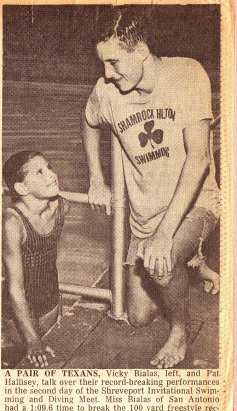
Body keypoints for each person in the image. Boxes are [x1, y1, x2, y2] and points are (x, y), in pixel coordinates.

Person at [83, 7, 220, 368]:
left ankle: (179, 331)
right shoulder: (106, 90)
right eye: (103, 64)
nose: (107, 74)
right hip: (145, 214)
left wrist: (164, 235)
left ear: (141, 50)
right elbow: (89, 121)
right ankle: (189, 261)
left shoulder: (187, 74)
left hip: (194, 203)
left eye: (114, 63)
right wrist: (96, 177)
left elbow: (199, 160)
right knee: (138, 317)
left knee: (161, 263)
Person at [2, 150, 69, 368]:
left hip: (51, 305)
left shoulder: (62, 207)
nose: (51, 174)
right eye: (40, 172)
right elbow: (15, 290)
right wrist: (31, 339)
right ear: (22, 188)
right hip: (16, 318)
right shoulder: (13, 223)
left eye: (49, 167)